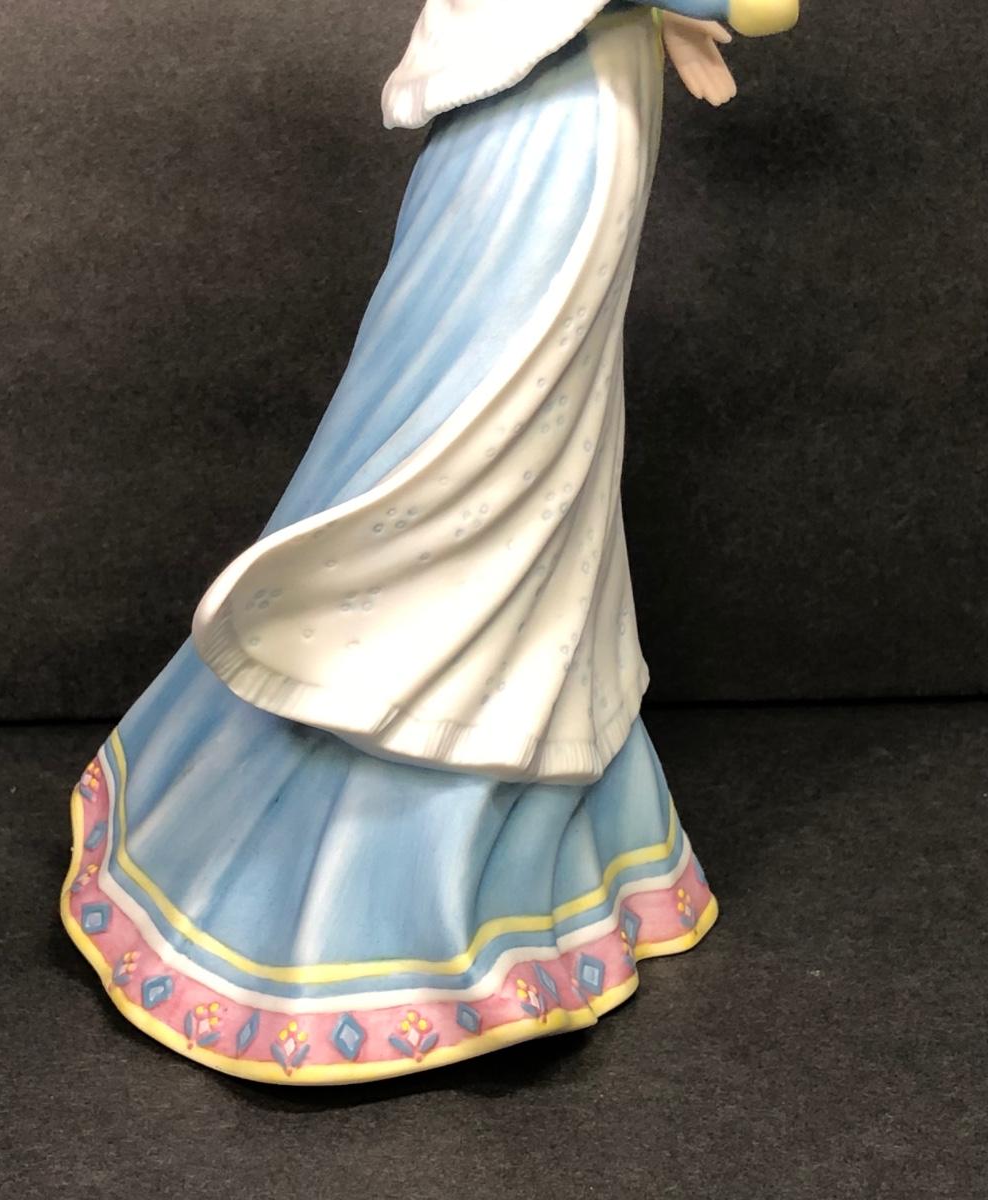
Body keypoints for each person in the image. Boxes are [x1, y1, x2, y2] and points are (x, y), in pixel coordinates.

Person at [61, 0, 798, 1084]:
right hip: (540, 161)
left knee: (539, 485)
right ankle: (372, 907)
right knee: (481, 467)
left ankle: (523, 851)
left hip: (565, 137)